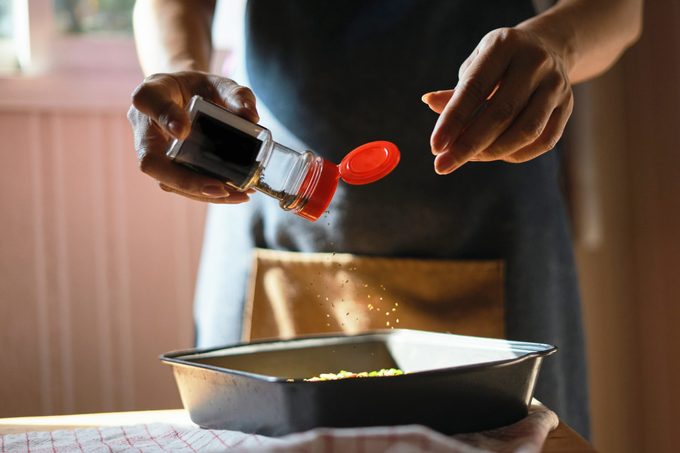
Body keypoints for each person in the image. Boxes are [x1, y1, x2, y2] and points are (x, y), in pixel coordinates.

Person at [128, 0, 642, 437]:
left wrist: (556, 44)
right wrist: (178, 73)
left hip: (492, 223)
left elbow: (621, 11)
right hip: (271, 212)